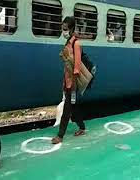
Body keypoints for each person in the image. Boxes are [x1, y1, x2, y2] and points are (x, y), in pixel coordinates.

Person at [52, 16, 86, 144]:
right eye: (63, 28)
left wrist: (73, 85)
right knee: (74, 106)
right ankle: (82, 127)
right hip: (67, 80)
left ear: (71, 29)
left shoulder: (76, 44)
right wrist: (64, 82)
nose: (63, 31)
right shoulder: (68, 42)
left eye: (65, 29)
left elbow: (77, 66)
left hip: (73, 82)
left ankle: (60, 136)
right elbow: (67, 65)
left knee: (67, 110)